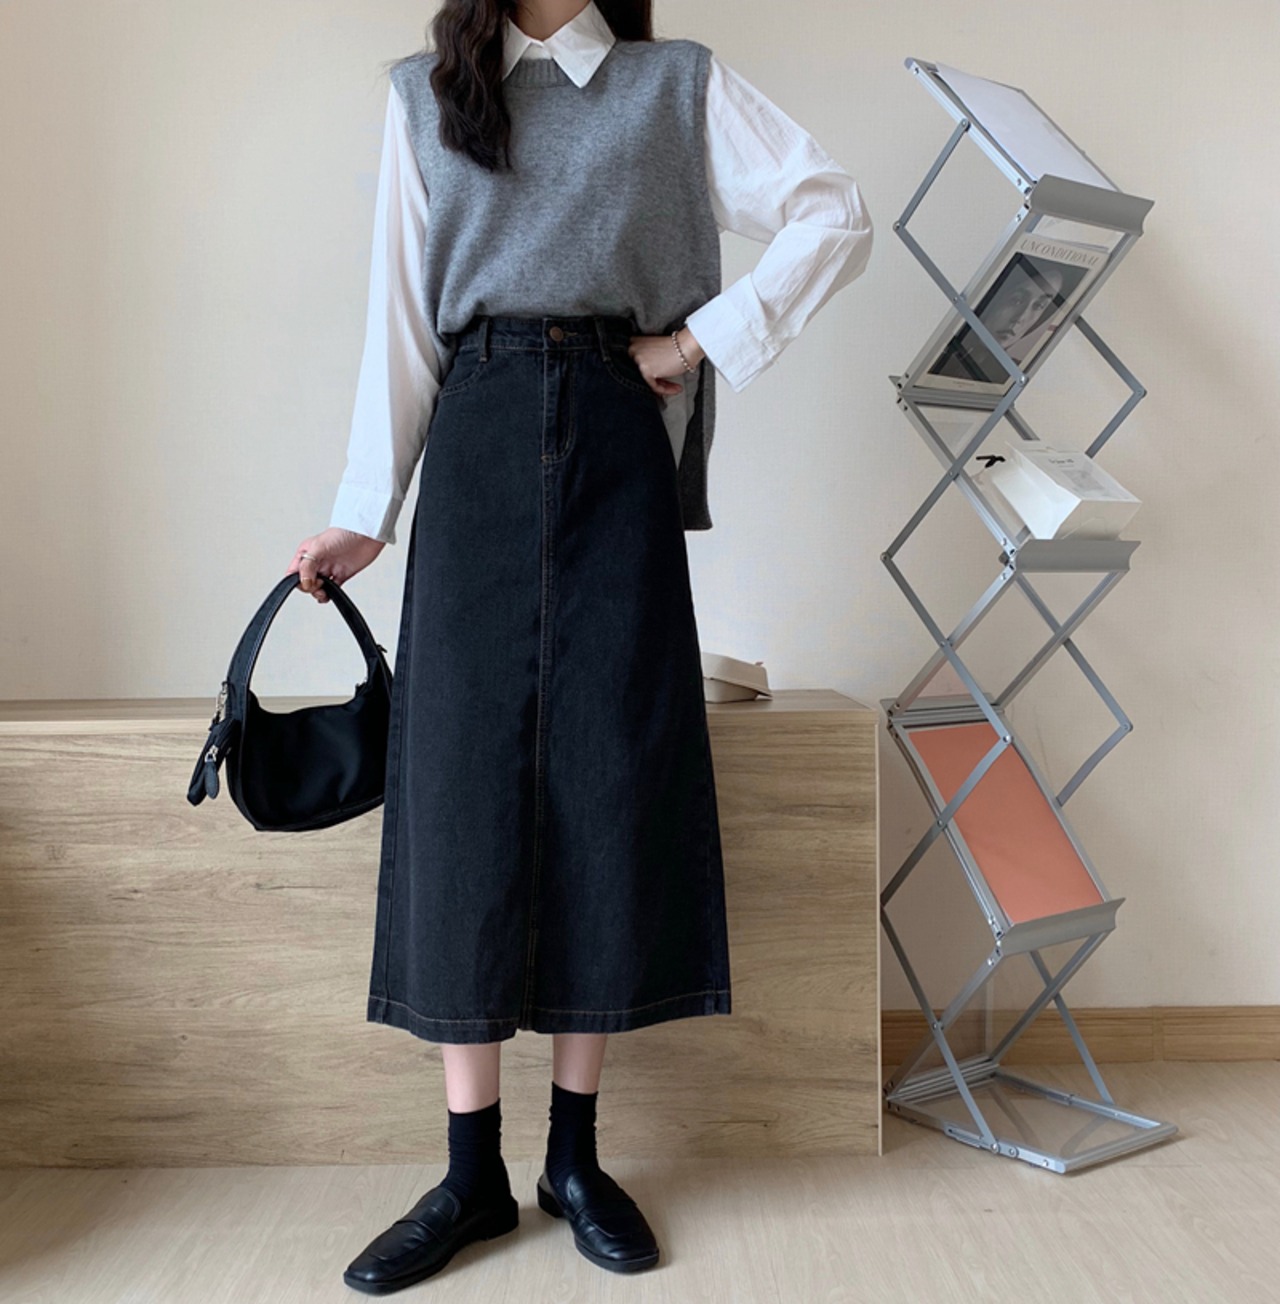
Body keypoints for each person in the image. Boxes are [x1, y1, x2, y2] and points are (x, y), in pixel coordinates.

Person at [287, 0, 872, 1292]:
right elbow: (402, 322)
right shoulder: (425, 95)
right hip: (478, 438)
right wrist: (364, 513)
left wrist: (698, 341)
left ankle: (573, 1156)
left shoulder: (675, 87)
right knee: (462, 793)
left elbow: (835, 211)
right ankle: (469, 1175)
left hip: (616, 439)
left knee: (606, 782)